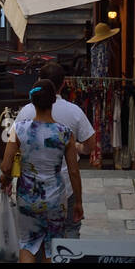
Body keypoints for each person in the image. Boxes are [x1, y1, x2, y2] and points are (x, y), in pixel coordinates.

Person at [0, 79, 82, 263]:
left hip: (28, 196)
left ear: (32, 102)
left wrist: (6, 179)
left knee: (27, 243)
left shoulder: (18, 129)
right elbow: (74, 172)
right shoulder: (65, 133)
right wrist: (78, 202)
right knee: (52, 247)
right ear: (53, 101)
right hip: (56, 198)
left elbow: (6, 166)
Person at [11, 62, 94, 239]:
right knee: (68, 233)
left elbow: (10, 152)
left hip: (30, 189)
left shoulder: (25, 113)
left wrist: (6, 178)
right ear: (63, 83)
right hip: (63, 188)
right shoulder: (74, 114)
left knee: (29, 241)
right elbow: (86, 150)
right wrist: (79, 147)